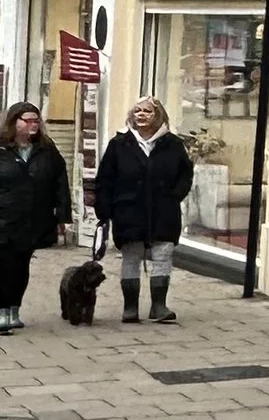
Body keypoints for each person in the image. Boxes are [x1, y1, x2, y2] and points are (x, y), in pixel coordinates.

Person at [89, 96, 194, 325]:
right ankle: (130, 307)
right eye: (137, 110)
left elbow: (185, 174)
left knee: (163, 253)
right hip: (129, 209)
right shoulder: (120, 144)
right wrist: (104, 209)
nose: (142, 115)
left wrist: (174, 195)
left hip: (163, 209)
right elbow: (106, 178)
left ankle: (159, 306)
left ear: (158, 116)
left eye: (147, 110)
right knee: (131, 255)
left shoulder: (172, 143)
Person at [0, 103, 73, 335]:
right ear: (15, 122)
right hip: (4, 217)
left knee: (20, 265)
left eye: (36, 121)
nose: (33, 125)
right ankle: (1, 310)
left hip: (33, 218)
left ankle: (13, 308)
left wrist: (62, 215)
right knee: (4, 264)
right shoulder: (3, 149)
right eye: (27, 120)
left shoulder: (46, 150)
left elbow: (60, 182)